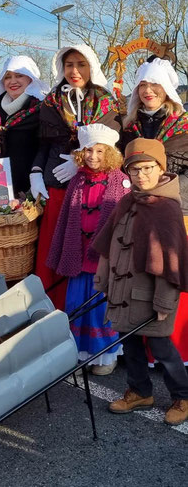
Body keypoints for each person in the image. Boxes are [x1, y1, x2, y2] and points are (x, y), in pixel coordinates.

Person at [93, 138, 188, 425]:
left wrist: (163, 301)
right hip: (125, 290)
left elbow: (172, 261)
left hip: (153, 294)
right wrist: (103, 279)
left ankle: (183, 396)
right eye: (134, 170)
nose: (141, 175)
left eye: (148, 168)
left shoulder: (167, 208)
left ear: (161, 168)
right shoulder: (127, 201)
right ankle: (139, 392)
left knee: (161, 348)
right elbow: (109, 244)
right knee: (129, 342)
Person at [30, 45, 121, 310]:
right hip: (56, 185)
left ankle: (85, 316)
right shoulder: (51, 101)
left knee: (86, 251)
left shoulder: (105, 101)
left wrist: (79, 161)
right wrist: (36, 171)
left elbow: (113, 146)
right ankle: (51, 308)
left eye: (81, 64)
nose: (74, 71)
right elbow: (44, 144)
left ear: (91, 66)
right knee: (55, 247)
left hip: (95, 188)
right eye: (69, 65)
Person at [47, 124, 130, 375]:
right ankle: (80, 353)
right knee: (76, 304)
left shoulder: (122, 182)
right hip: (79, 254)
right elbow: (66, 219)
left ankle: (106, 355)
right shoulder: (78, 180)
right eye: (89, 150)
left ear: (111, 153)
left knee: (101, 308)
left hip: (104, 259)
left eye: (100, 151)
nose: (93, 156)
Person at [121, 57, 188, 366]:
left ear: (168, 90)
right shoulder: (129, 126)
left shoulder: (184, 127)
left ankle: (176, 354)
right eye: (143, 84)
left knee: (171, 278)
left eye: (155, 84)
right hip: (138, 211)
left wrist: (165, 190)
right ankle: (142, 353)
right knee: (143, 278)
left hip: (176, 210)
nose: (149, 90)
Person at [0, 56, 49, 195]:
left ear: (31, 79)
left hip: (31, 188)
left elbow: (46, 146)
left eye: (19, 76)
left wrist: (37, 173)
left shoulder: (42, 110)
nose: (12, 81)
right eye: (7, 77)